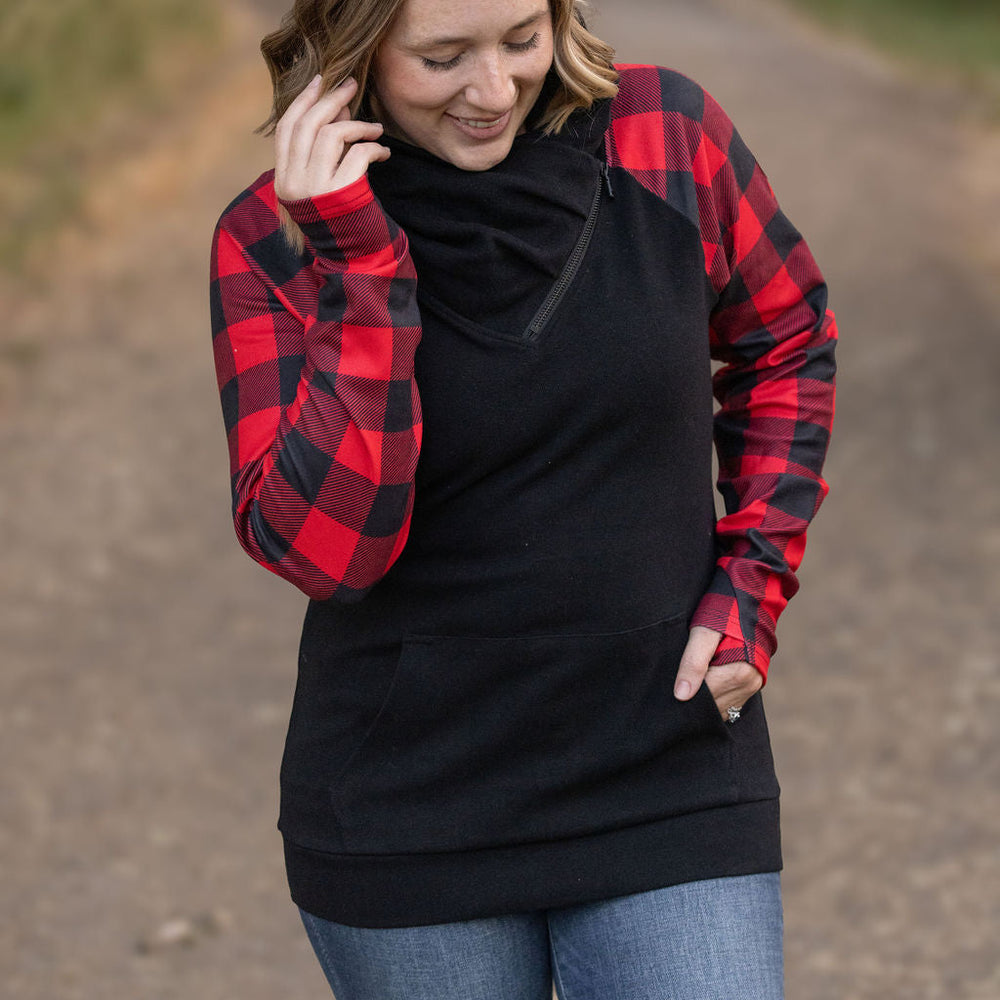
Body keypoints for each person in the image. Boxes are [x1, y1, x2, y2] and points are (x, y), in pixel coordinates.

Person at [209, 0, 837, 995]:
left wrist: (751, 586)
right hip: (407, 808)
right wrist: (358, 263)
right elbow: (333, 552)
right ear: (355, 46)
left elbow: (786, 342)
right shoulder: (271, 240)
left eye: (518, 39)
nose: (492, 90)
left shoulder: (665, 135)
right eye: (442, 57)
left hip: (663, 765)